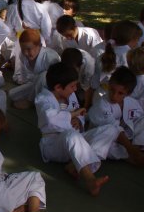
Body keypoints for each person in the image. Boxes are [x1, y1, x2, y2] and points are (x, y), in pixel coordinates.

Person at [35, 63, 113, 196]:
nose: (75, 89)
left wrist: (78, 120)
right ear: (58, 87)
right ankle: (90, 179)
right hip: (53, 145)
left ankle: (74, 165)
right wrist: (72, 115)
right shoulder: (42, 99)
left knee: (110, 129)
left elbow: (79, 114)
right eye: (72, 86)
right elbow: (50, 119)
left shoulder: (70, 95)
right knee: (71, 134)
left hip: (75, 139)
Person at [87, 67, 144, 167]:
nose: (114, 96)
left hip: (124, 137)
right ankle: (128, 154)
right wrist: (132, 150)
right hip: (102, 137)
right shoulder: (101, 105)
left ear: (128, 93)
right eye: (112, 90)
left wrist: (133, 143)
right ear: (109, 85)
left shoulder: (131, 102)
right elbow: (116, 130)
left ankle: (140, 147)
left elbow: (138, 119)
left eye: (120, 93)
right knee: (107, 145)